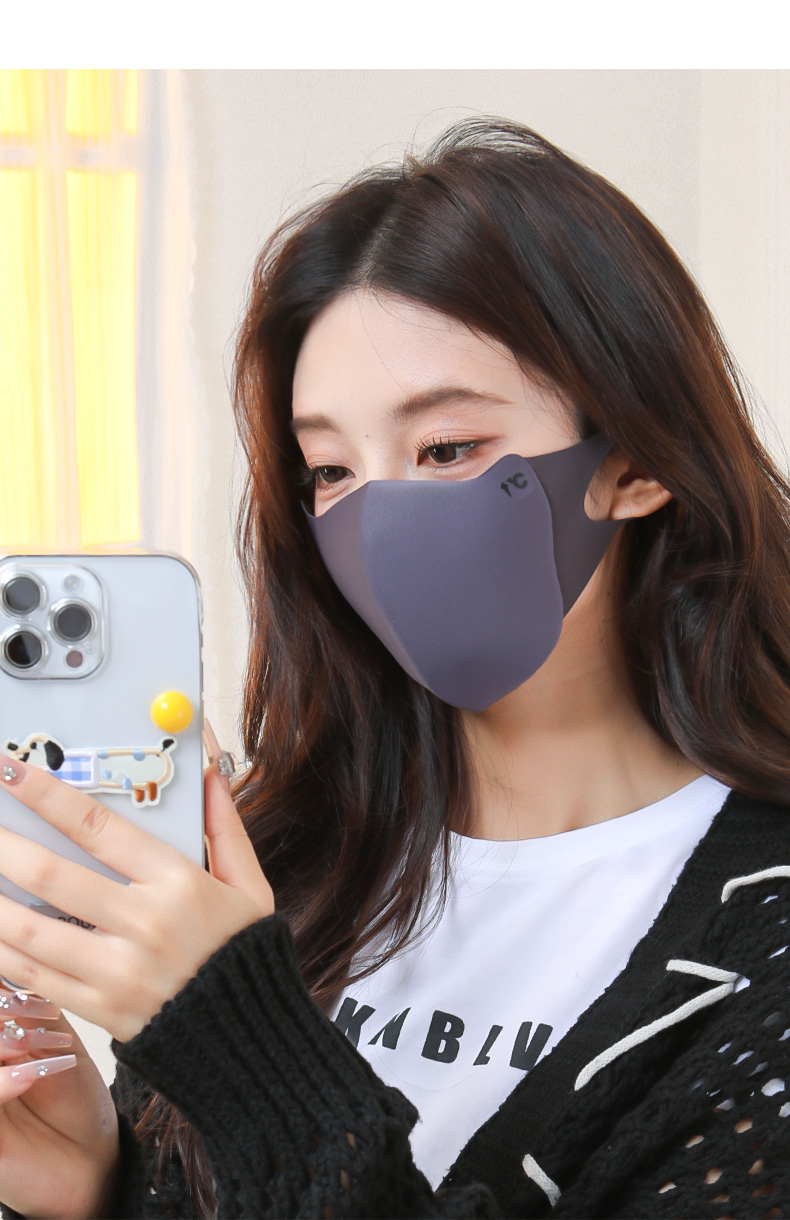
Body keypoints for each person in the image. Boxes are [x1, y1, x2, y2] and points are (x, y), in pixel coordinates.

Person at [1, 115, 789, 1220]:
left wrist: (242, 1044)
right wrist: (103, 1189)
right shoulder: (289, 854)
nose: (377, 519)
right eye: (330, 469)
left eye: (446, 448)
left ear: (636, 461)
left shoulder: (763, 942)